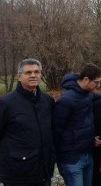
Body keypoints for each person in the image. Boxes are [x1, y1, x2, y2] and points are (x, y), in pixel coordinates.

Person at [0, 58, 55, 186]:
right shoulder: (6, 103)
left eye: (37, 72)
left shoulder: (47, 101)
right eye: (28, 72)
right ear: (19, 76)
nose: (33, 75)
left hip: (43, 170)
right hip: (17, 173)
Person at [53, 63, 101, 186]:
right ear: (86, 79)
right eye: (96, 82)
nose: (97, 86)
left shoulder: (87, 93)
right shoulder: (66, 100)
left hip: (87, 154)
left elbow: (100, 97)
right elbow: (56, 131)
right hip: (72, 160)